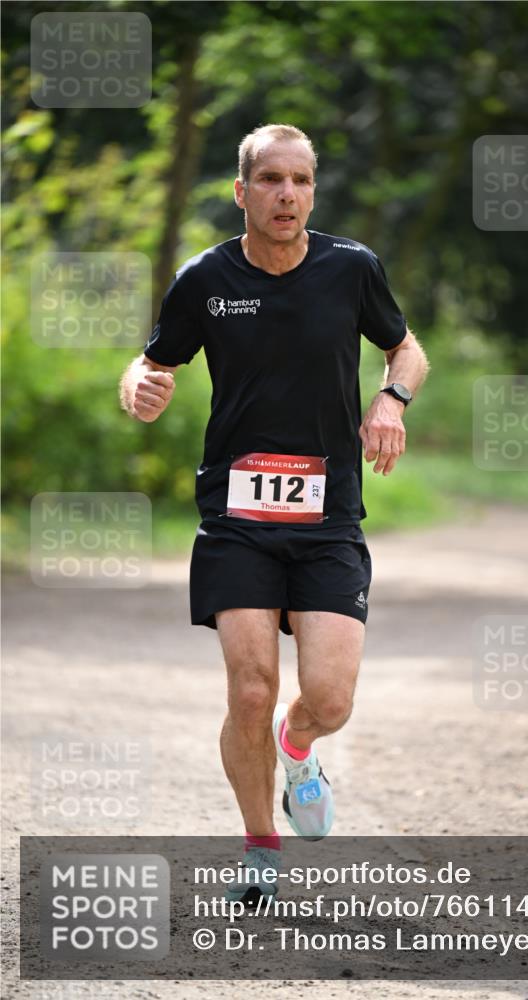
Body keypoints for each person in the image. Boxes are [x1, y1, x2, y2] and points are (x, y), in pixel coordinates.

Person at [120, 123, 429, 901]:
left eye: (300, 181)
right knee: (249, 689)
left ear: (312, 192)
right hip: (236, 517)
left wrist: (391, 399)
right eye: (270, 181)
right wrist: (138, 389)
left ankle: (298, 749)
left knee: (328, 699)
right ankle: (260, 850)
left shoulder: (350, 269)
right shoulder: (205, 279)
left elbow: (407, 348)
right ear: (242, 191)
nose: (286, 194)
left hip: (327, 521)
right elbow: (150, 364)